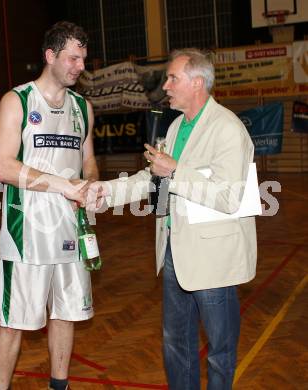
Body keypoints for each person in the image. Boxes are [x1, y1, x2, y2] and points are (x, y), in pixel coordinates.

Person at [88, 48, 257, 389]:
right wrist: (105, 191)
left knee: (220, 351)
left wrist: (176, 170)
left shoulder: (227, 129)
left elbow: (228, 196)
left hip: (213, 261)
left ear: (197, 83)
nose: (165, 85)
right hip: (173, 251)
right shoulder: (177, 125)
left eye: (172, 78)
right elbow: (151, 178)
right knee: (175, 346)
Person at [0, 21, 98, 390]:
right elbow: (2, 167)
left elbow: (89, 162)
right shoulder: (17, 100)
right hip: (27, 236)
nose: (80, 65)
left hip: (72, 231)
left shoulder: (83, 108)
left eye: (83, 58)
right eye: (72, 57)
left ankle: (59, 385)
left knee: (66, 314)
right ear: (50, 56)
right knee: (14, 320)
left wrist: (92, 186)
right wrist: (63, 185)